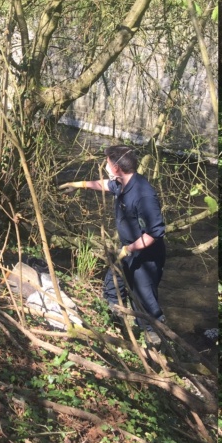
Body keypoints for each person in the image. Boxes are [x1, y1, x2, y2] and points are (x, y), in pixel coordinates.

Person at [59, 145, 166, 345]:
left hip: (146, 256)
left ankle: (156, 340)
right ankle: (120, 322)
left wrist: (129, 249)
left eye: (108, 163)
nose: (106, 166)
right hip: (128, 251)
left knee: (144, 299)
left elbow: (155, 233)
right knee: (112, 285)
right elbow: (107, 185)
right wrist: (80, 184)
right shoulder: (123, 182)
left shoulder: (143, 195)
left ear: (116, 167)